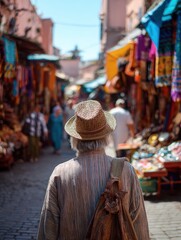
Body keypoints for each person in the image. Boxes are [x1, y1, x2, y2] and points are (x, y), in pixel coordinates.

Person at [37, 100, 149, 240]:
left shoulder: (59, 173)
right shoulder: (127, 170)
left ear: (74, 138)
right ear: (106, 136)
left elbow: (49, 226)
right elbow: (139, 223)